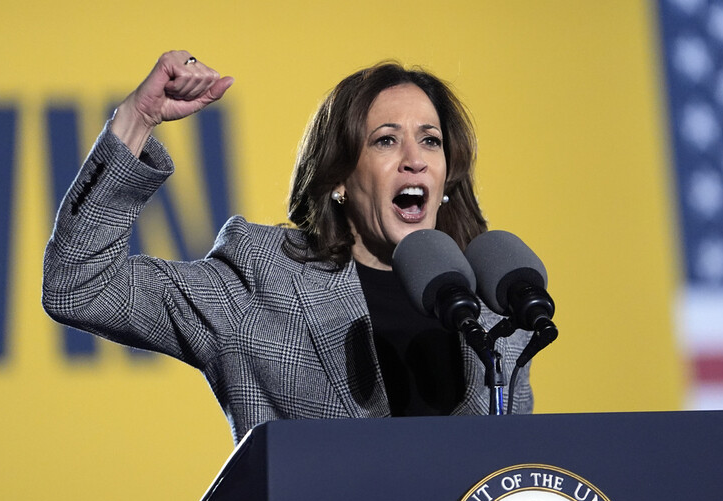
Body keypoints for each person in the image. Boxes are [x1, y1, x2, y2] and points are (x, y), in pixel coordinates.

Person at [42, 51, 534, 445]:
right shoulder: (262, 279)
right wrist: (137, 119)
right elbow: (81, 288)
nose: (415, 161)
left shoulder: (491, 309)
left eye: (430, 141)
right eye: (386, 141)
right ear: (339, 178)